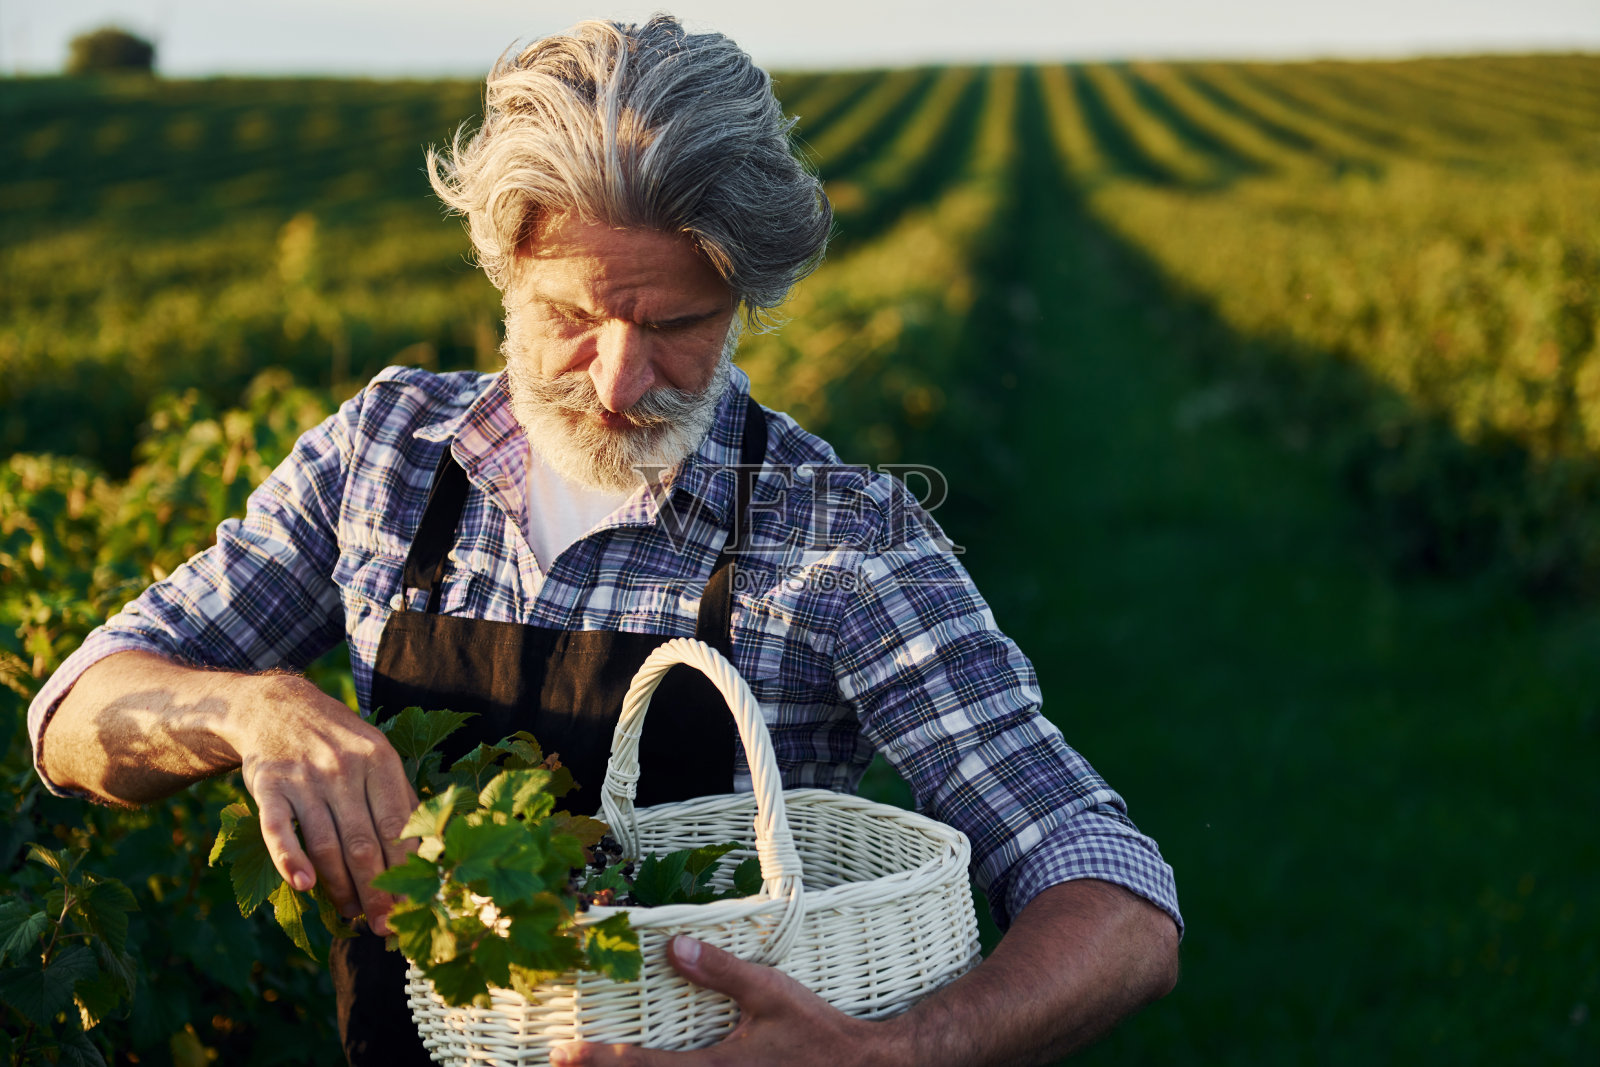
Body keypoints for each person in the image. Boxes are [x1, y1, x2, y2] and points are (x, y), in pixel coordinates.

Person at [28, 15, 1180, 1066]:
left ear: (744, 297)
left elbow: (1112, 893)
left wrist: (895, 1051)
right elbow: (74, 714)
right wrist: (249, 710)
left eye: (677, 323)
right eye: (571, 318)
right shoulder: (385, 457)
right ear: (506, 271)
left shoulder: (839, 537)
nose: (620, 379)